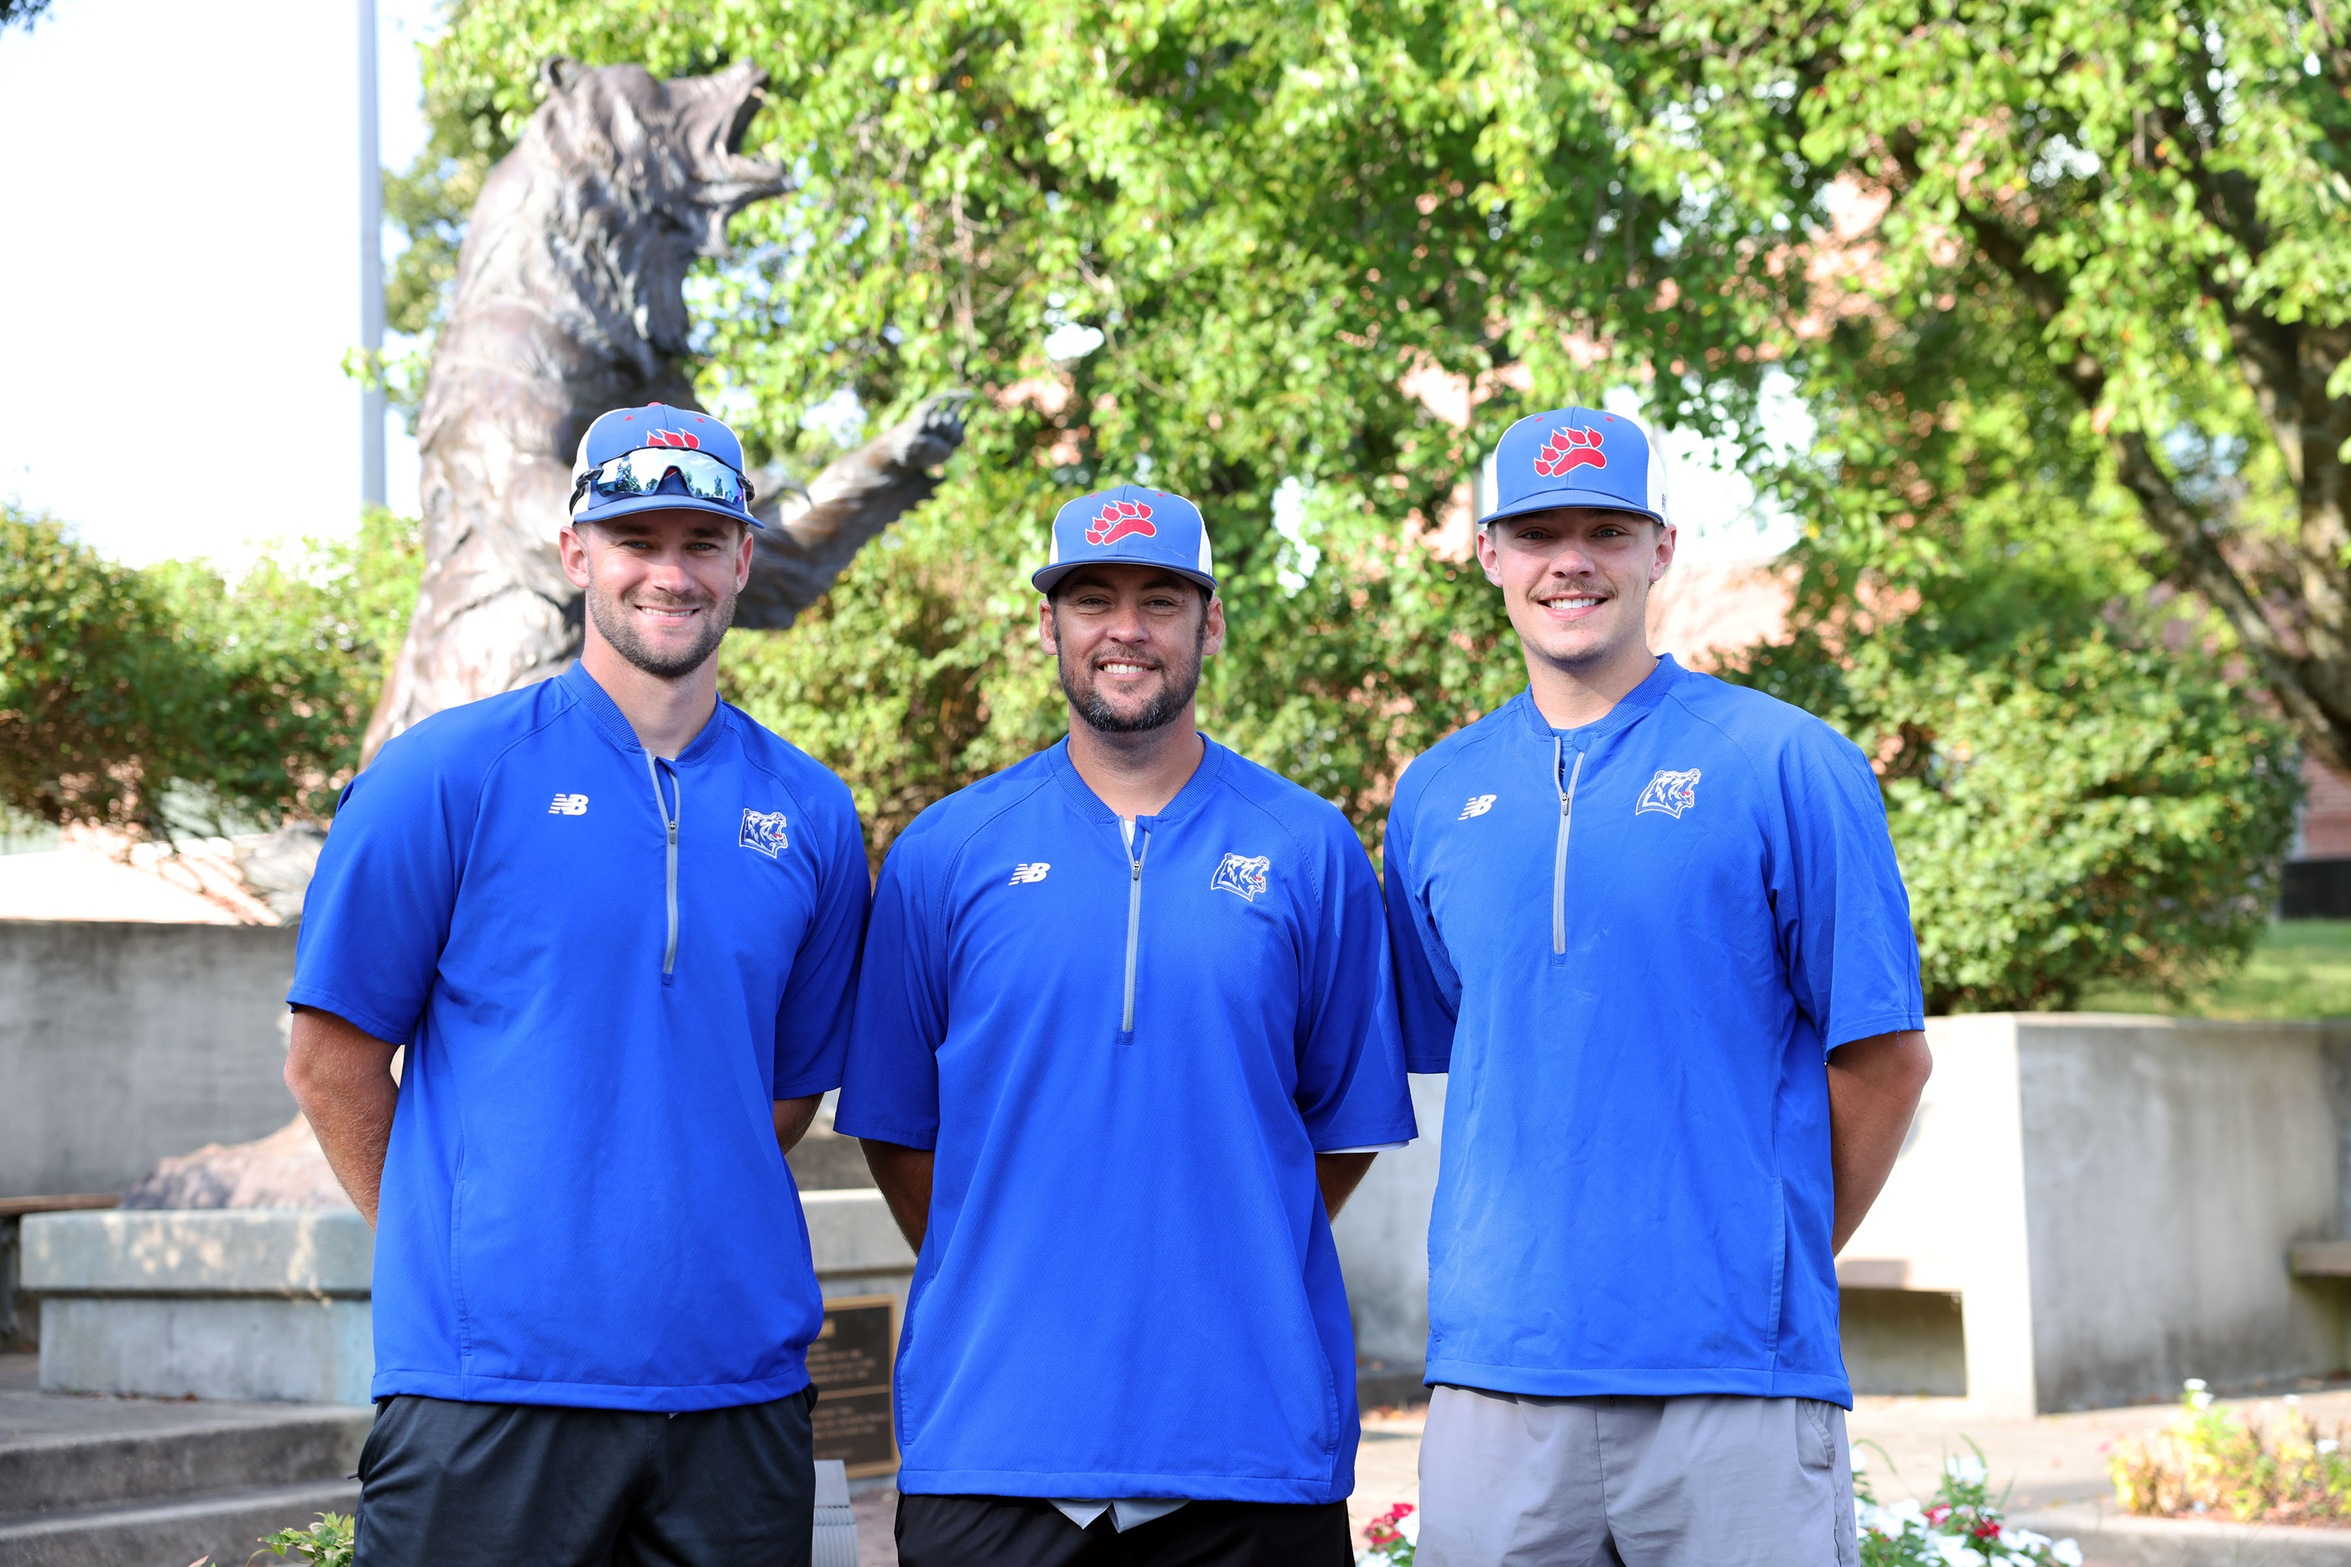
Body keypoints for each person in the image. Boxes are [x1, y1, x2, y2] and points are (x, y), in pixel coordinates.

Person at [283, 404, 870, 1567]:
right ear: (577, 553)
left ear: (742, 559)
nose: (670, 571)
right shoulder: (443, 777)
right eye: (635, 539)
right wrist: (463, 1251)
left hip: (733, 1391)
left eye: (701, 542)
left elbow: (783, 1093)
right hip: (488, 1390)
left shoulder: (810, 811)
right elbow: (329, 1059)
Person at [1383, 407, 1934, 1566]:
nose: (1569, 559)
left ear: (1659, 549)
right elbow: (1462, 1038)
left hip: (1731, 1378)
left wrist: (1759, 1245)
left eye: (1604, 529)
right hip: (1498, 1375)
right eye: (1535, 531)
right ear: (1488, 553)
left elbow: (1884, 1060)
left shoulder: (1784, 762)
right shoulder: (1435, 793)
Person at [836, 485, 1416, 1567]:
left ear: (1211, 623)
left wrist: (1228, 1236)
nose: (1125, 629)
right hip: (994, 1447)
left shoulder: (1309, 848)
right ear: (1047, 626)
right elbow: (900, 1132)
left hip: (1248, 1445)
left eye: (1161, 599)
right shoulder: (943, 853)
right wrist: (1016, 1250)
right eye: (1091, 598)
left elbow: (1335, 1132)